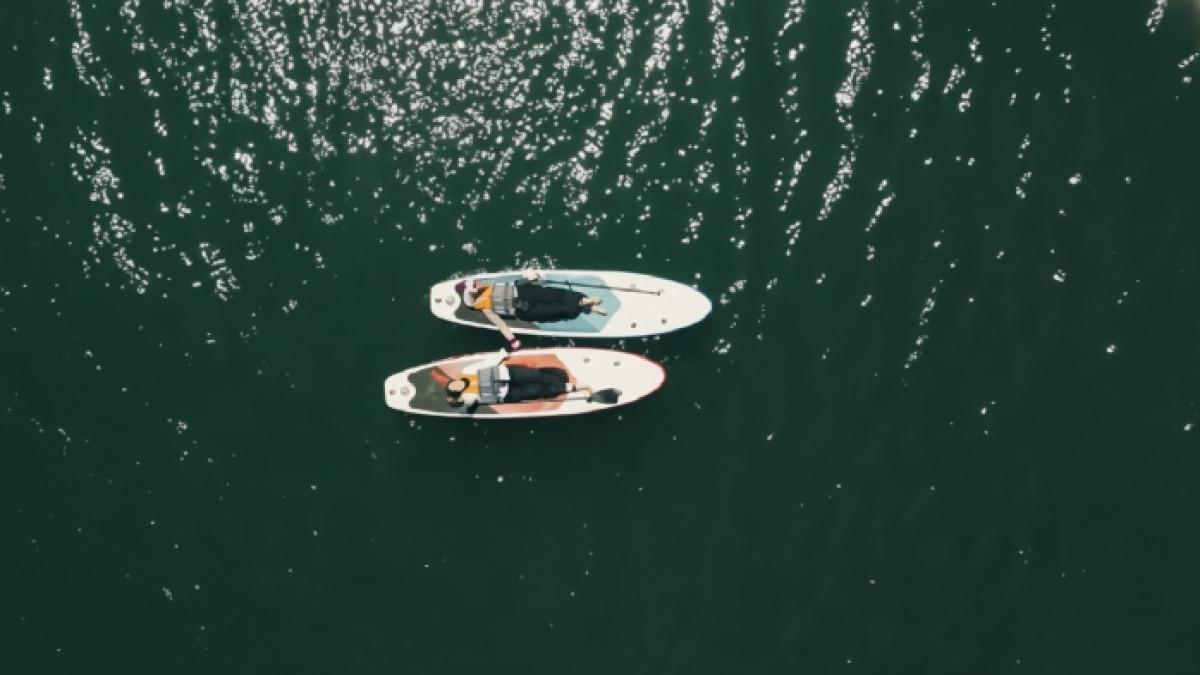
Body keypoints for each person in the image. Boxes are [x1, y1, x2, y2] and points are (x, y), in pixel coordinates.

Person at [456, 270, 605, 350]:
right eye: (472, 288)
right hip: (525, 310)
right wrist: (512, 340)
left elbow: (513, 283)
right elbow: (501, 325)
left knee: (556, 294)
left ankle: (585, 301)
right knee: (556, 310)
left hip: (524, 291)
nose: (476, 286)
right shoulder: (486, 309)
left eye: (474, 285)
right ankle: (585, 304)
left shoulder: (486, 284)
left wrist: (529, 278)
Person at [445, 354, 592, 412]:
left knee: (535, 376)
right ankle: (570, 387)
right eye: (455, 388)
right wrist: (457, 401)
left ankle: (559, 380)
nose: (457, 384)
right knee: (536, 391)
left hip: (508, 373)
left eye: (454, 383)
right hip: (507, 393)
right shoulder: (469, 395)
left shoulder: (467, 371)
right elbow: (469, 403)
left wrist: (501, 353)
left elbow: (486, 363)